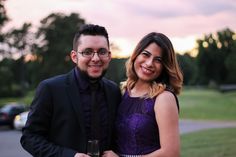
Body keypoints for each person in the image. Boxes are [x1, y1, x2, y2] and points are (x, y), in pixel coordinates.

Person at [21, 24, 121, 157]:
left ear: (109, 56)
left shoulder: (113, 91)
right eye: (87, 52)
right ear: (74, 57)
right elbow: (29, 138)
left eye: (102, 52)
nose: (96, 58)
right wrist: (69, 155)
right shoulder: (50, 89)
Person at [103, 32, 183, 157]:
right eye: (146, 55)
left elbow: (171, 153)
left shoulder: (164, 98)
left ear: (164, 66)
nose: (149, 63)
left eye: (158, 60)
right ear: (136, 55)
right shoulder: (124, 93)